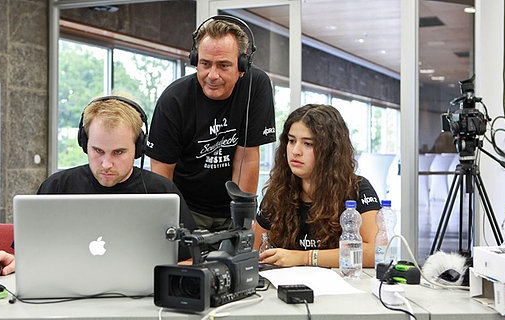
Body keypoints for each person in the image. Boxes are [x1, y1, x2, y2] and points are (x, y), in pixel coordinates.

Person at [0, 96, 196, 276]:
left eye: (119, 152)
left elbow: (191, 258)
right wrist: (14, 261)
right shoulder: (56, 187)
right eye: (98, 151)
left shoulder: (163, 193)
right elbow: (28, 256)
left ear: (138, 149)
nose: (106, 164)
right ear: (84, 143)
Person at [146, 15, 276, 233]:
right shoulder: (174, 99)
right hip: (187, 208)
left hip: (231, 206)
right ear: (195, 60)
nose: (212, 75)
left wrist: (242, 221)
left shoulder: (256, 86)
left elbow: (247, 156)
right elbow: (161, 173)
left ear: (242, 65)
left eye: (224, 65)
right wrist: (167, 225)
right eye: (205, 64)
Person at [252, 104, 381, 268]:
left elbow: (374, 253)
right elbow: (255, 252)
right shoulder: (278, 191)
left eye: (308, 144)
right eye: (291, 141)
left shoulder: (357, 189)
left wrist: (305, 257)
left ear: (330, 151)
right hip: (287, 287)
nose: (295, 151)